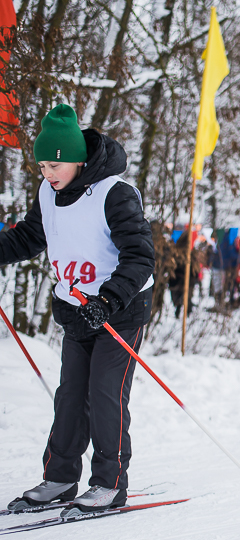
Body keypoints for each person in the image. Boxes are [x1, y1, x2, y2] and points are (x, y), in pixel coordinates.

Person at [1, 104, 154, 516]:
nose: (48, 173)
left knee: (104, 391)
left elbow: (140, 256)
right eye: (42, 166)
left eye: (55, 164)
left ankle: (109, 484)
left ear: (78, 160)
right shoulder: (48, 193)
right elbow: (30, 237)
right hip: (76, 308)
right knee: (70, 394)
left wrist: (109, 299)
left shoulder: (113, 193)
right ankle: (60, 477)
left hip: (120, 308)